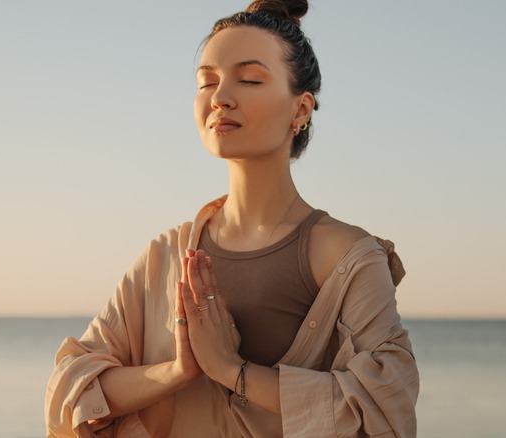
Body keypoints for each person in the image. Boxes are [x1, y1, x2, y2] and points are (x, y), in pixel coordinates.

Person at [45, 1, 419, 436]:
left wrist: (230, 369)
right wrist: (180, 370)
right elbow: (71, 388)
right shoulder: (166, 255)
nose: (220, 97)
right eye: (207, 82)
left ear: (301, 109)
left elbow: (385, 409)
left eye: (249, 79)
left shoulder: (347, 256)